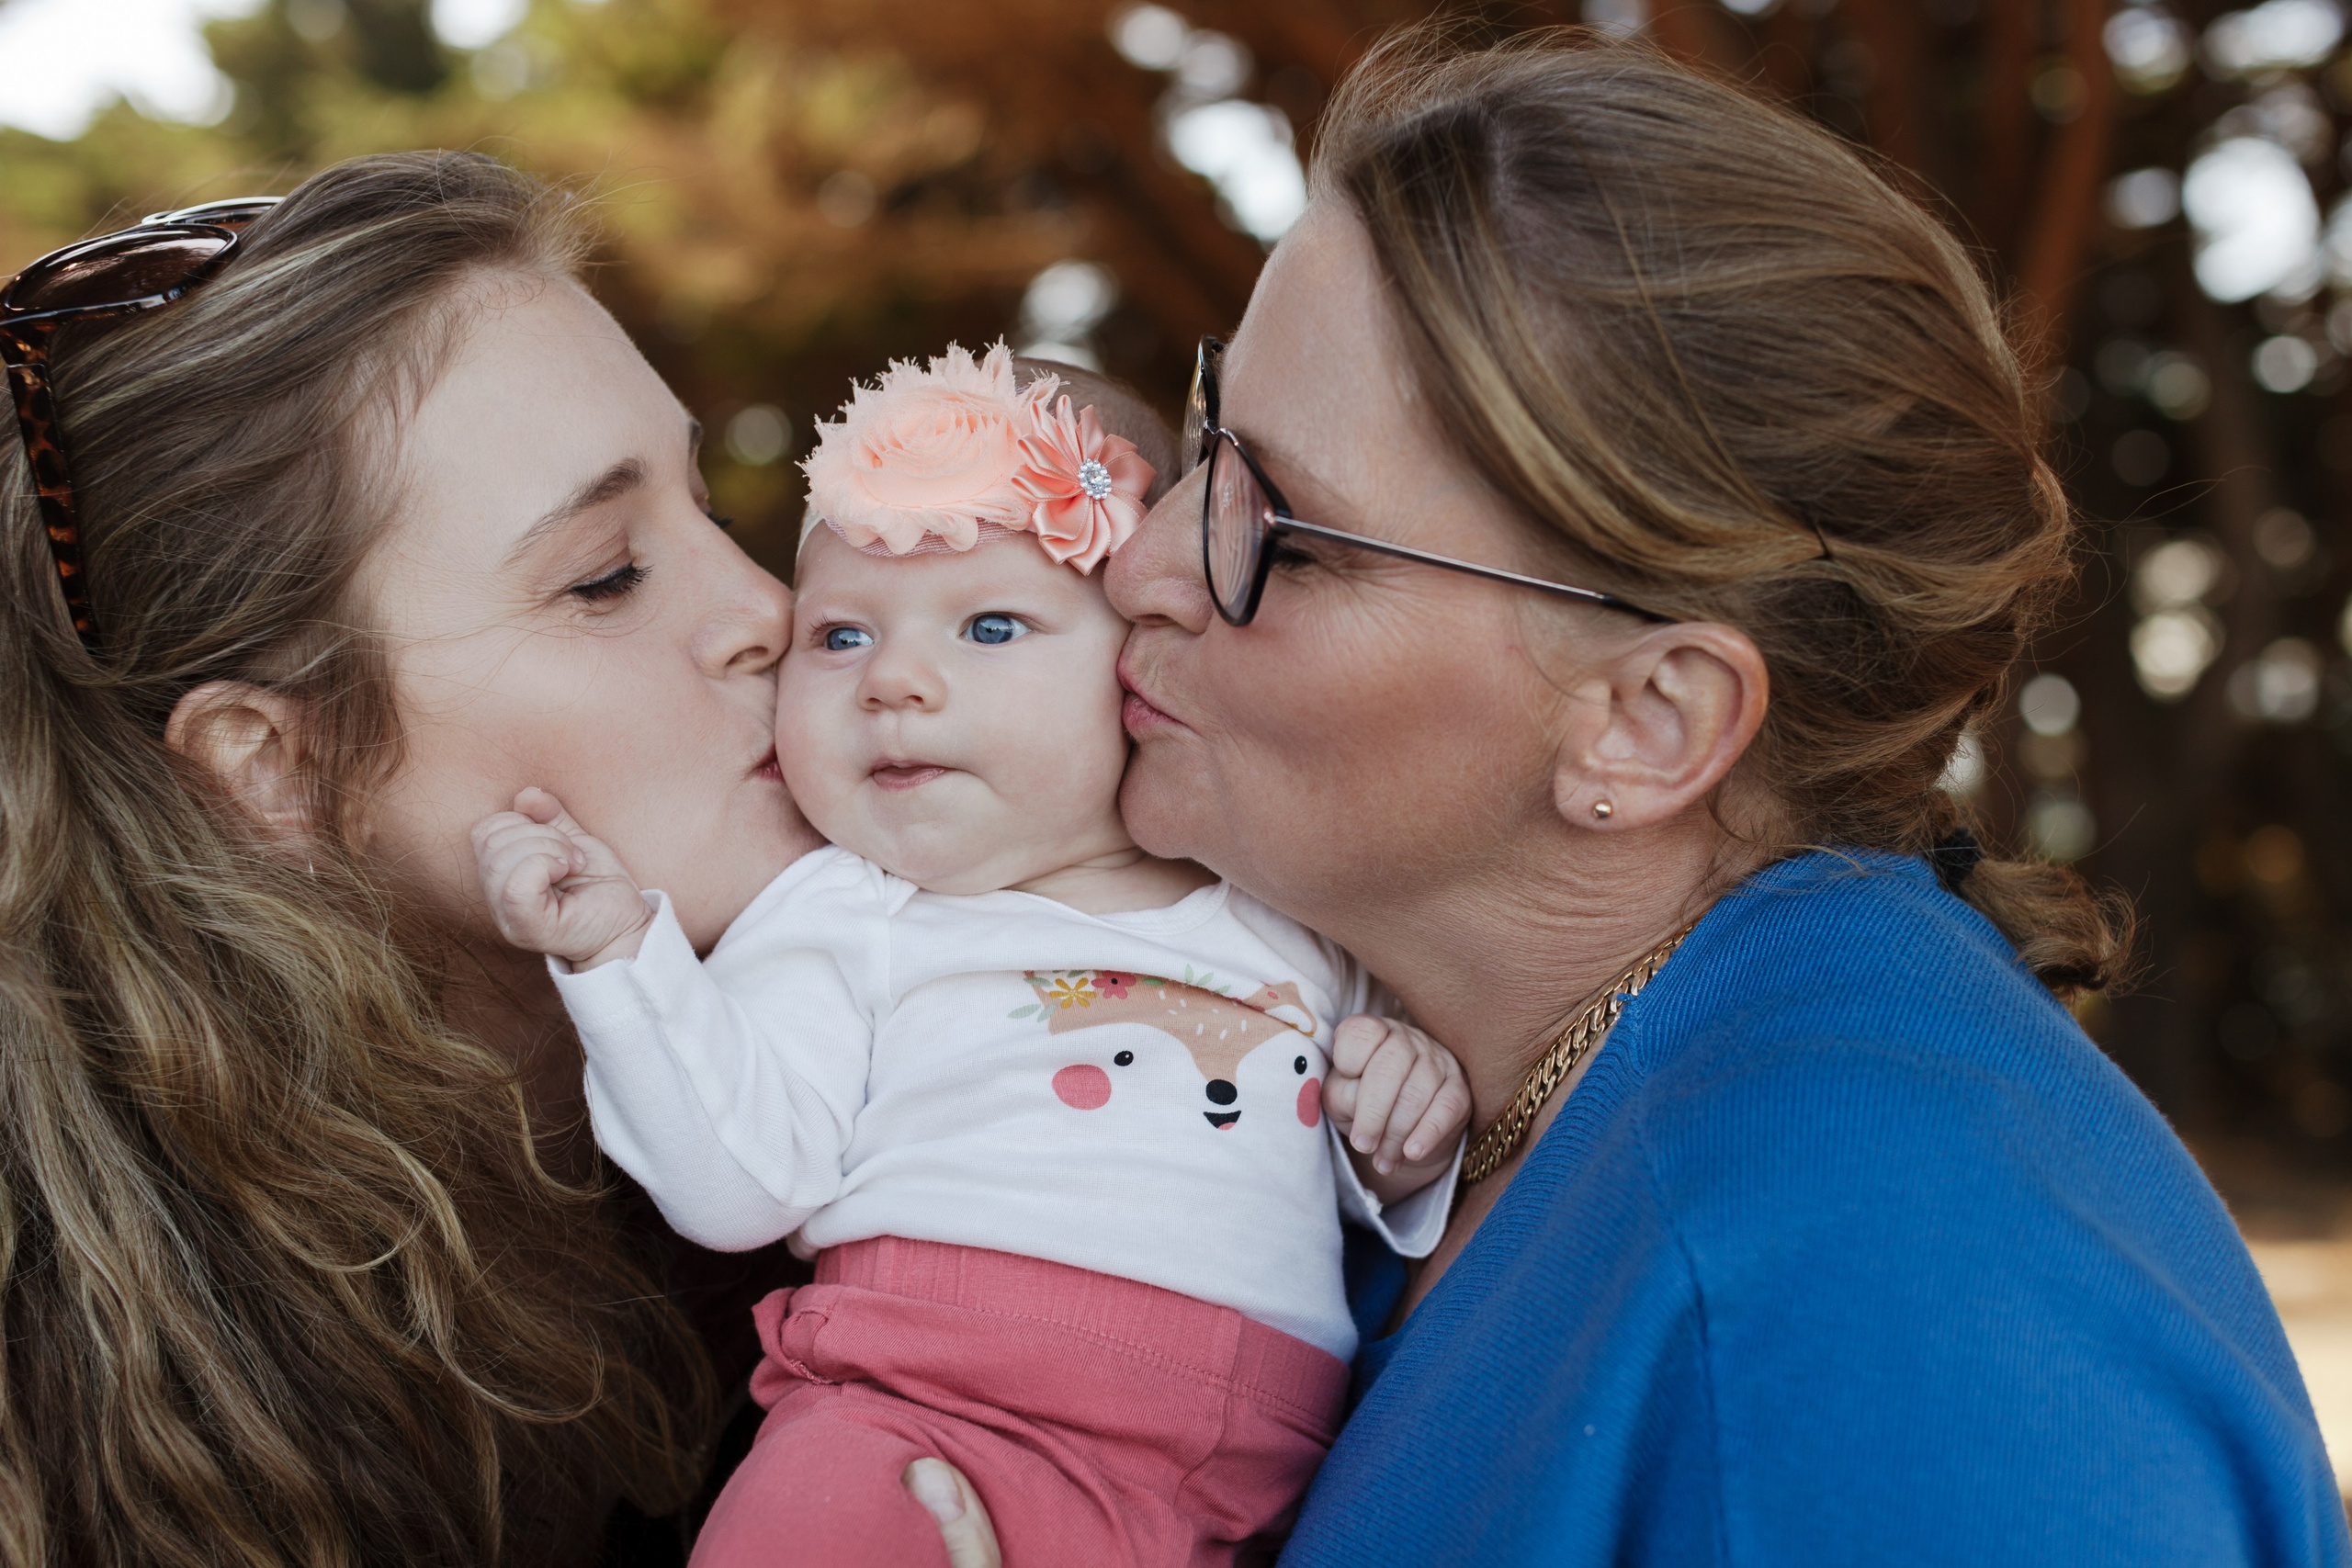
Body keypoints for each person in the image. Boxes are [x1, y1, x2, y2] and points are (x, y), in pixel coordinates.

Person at [1083, 27, 2349, 1567]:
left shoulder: (1886, 1316)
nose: (1140, 562)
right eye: (1206, 436)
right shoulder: (1429, 1080)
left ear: (1648, 725)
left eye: (1281, 529)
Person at [469, 344, 1474, 1567]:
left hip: (1244, 1478)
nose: (894, 680)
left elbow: (1370, 1156)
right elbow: (739, 1186)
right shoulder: (843, 916)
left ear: (1140, 660)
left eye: (991, 625)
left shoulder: (1277, 899)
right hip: (922, 1421)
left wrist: (1404, 1123)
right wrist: (623, 957)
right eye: (837, 637)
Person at [0, 151, 843, 1566]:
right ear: (276, 766)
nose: (768, 606)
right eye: (607, 576)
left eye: (703, 505)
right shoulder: (109, 1449)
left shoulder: (884, 1079)